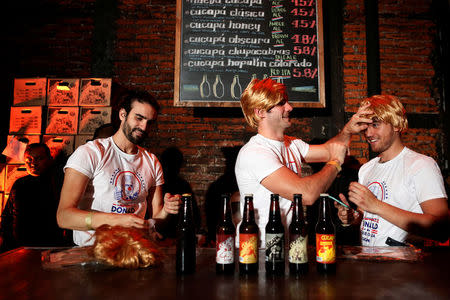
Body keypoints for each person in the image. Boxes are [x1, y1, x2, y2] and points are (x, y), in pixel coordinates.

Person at [235, 78, 372, 245]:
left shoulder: (292, 144)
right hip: (260, 250)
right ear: (260, 112)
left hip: (289, 245)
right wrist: (335, 162)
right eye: (281, 103)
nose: (290, 107)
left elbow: (331, 149)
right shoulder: (255, 153)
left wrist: (348, 130)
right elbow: (306, 194)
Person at [57, 90, 181, 246]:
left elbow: (156, 222)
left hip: (133, 253)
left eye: (149, 122)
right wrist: (116, 220)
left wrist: (166, 211)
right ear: (123, 114)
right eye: (139, 118)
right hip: (92, 254)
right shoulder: (90, 153)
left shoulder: (152, 162)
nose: (144, 127)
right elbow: (64, 217)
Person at [336, 95, 449, 246]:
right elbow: (368, 216)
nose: (368, 134)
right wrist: (353, 217)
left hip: (404, 267)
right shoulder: (366, 169)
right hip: (370, 264)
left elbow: (441, 228)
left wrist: (376, 205)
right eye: (365, 126)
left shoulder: (421, 165)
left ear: (396, 124)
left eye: (375, 125)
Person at [0, 143, 70, 252]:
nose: (33, 163)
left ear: (49, 159)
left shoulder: (58, 183)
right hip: (19, 248)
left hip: (50, 247)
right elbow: (7, 215)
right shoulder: (19, 183)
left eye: (39, 158)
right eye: (29, 159)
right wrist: (7, 242)